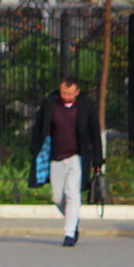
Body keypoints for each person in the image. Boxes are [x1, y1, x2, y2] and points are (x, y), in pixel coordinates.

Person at [30, 76, 105, 246]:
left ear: (77, 92)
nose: (66, 96)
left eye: (70, 93)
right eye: (64, 92)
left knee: (72, 193)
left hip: (77, 157)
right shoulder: (50, 104)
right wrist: (34, 150)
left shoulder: (86, 107)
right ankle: (73, 220)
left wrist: (98, 162)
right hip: (55, 158)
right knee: (57, 198)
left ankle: (69, 234)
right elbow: (38, 128)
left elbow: (95, 135)